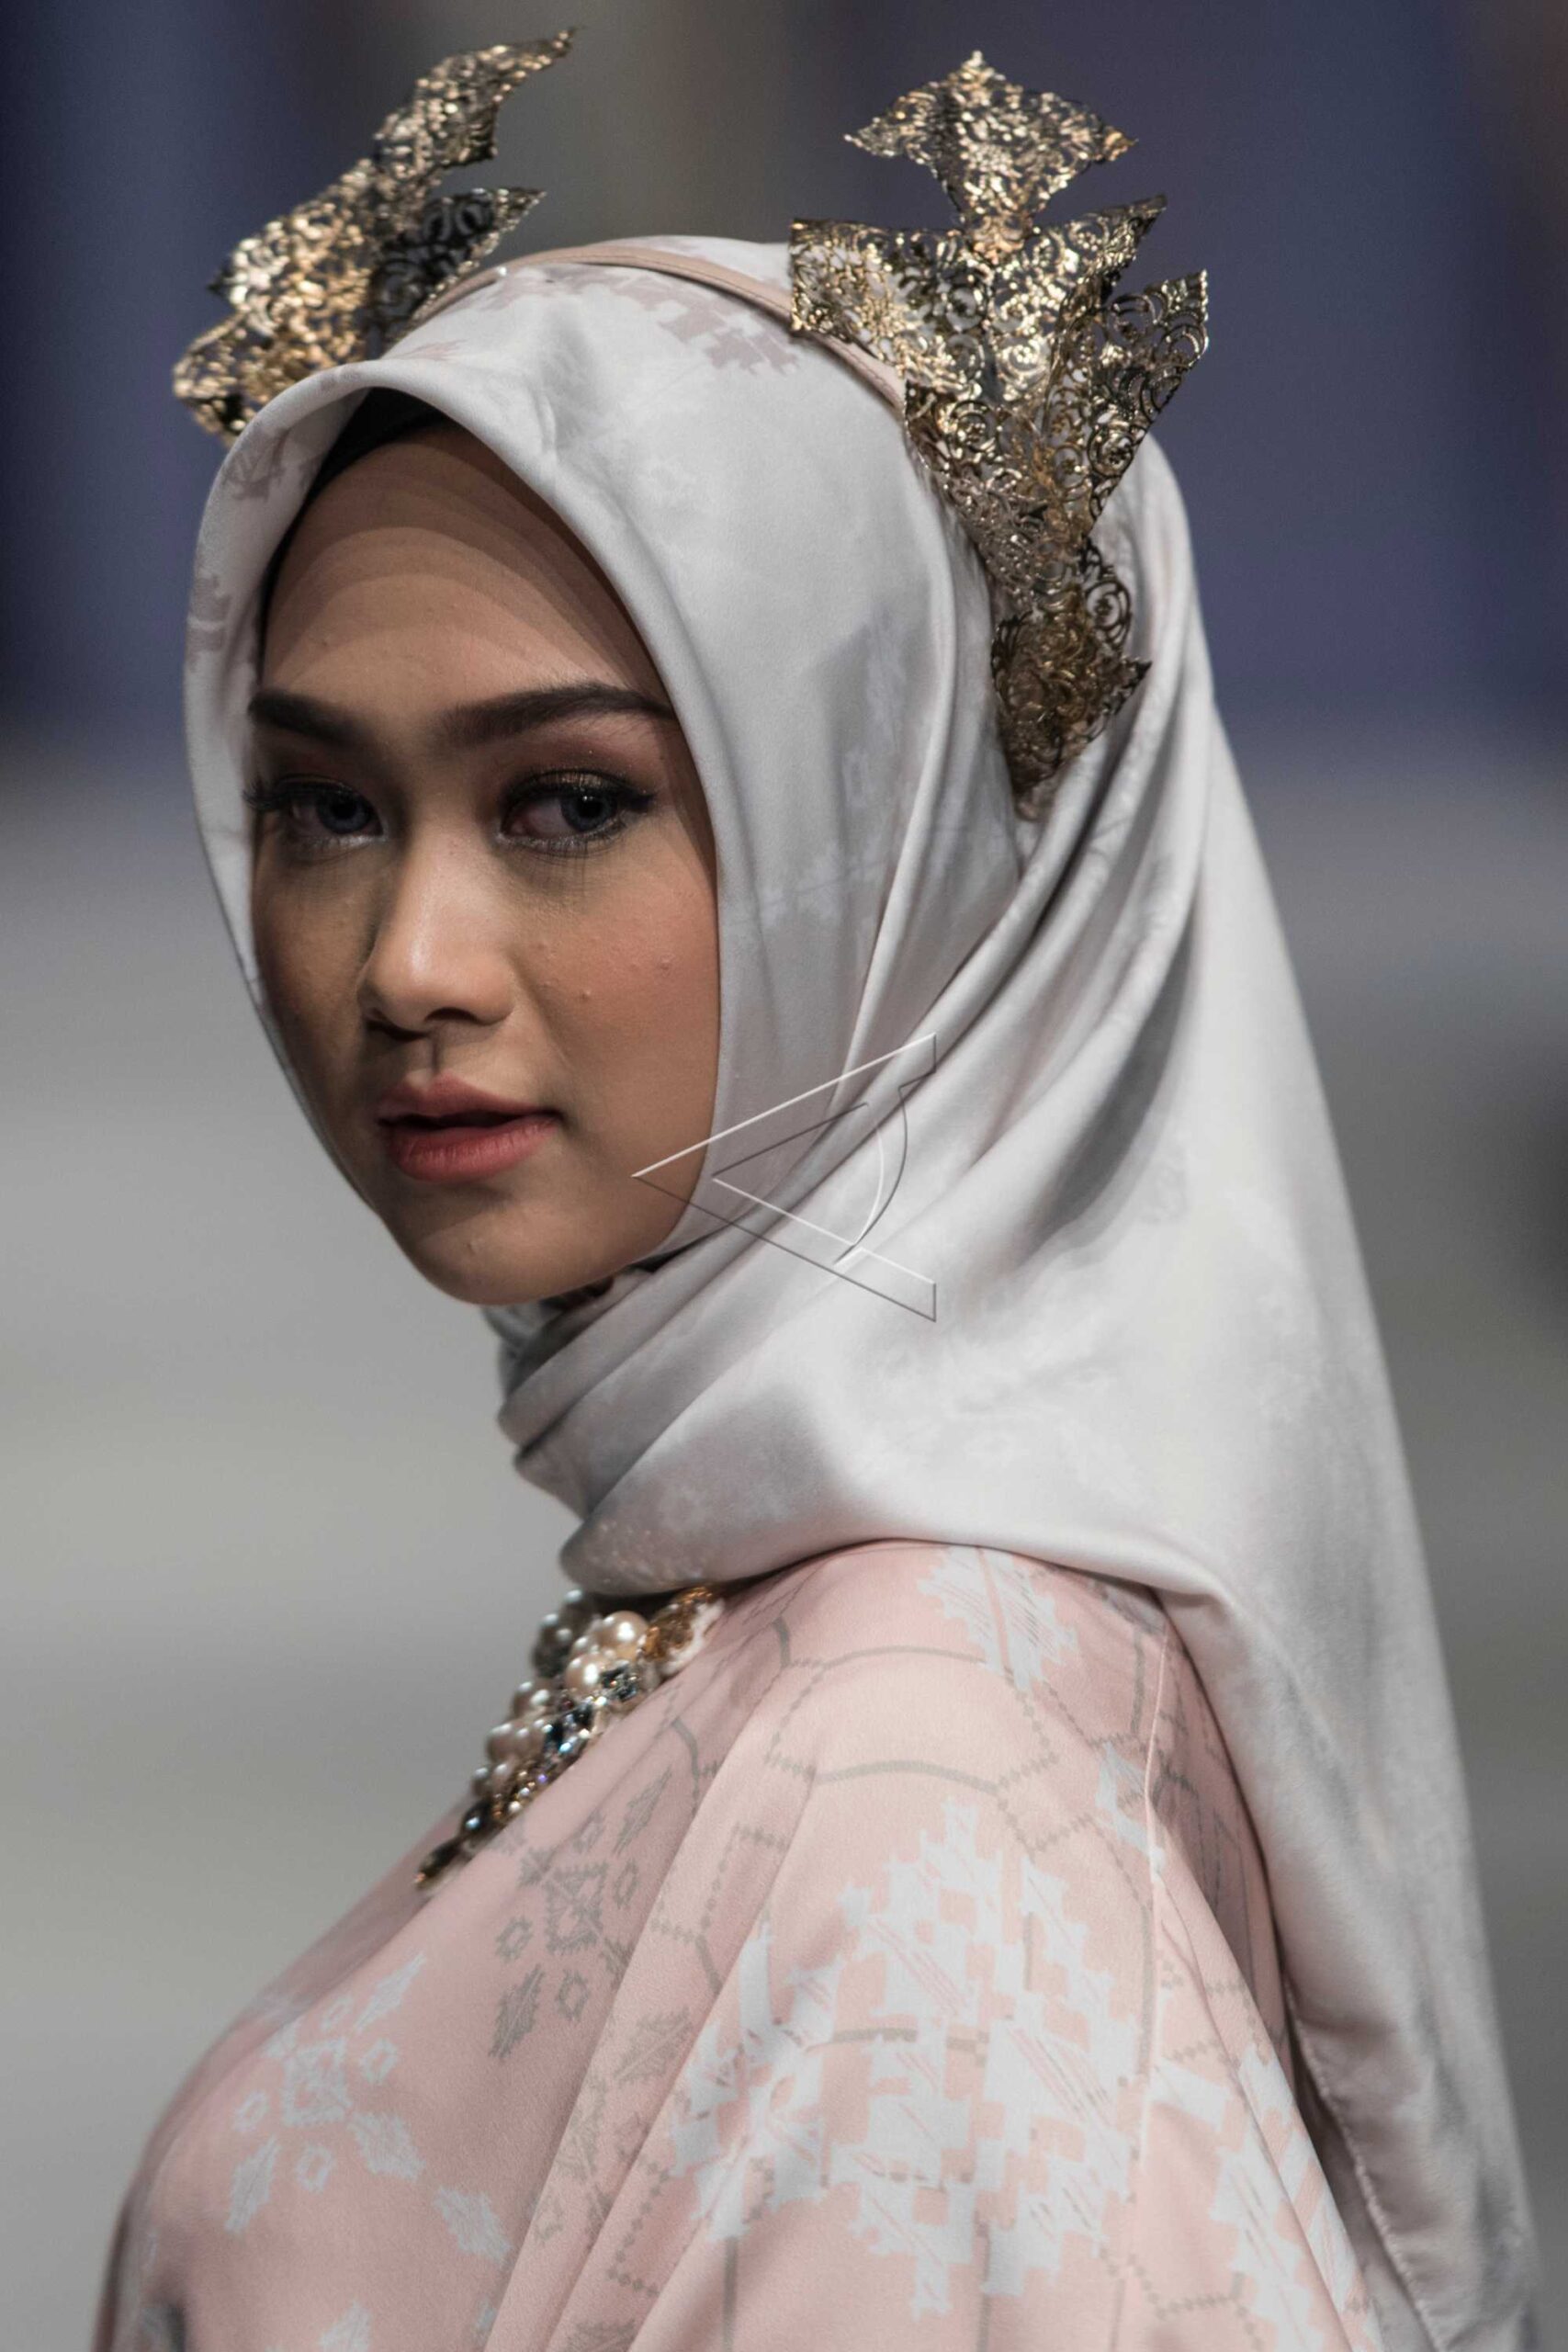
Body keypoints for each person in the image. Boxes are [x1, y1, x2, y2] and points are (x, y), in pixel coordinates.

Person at [95, 39, 1538, 2352]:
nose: (408, 961)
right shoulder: (814, 1632)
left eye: (567, 802)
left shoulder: (924, 1790)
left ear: (902, 842)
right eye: (323, 807)